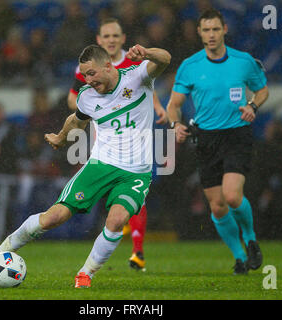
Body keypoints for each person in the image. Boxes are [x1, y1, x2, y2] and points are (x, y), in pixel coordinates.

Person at [0, 44, 171, 288]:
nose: (88, 80)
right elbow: (76, 120)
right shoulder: (87, 96)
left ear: (108, 65)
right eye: (84, 75)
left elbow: (165, 59)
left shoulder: (138, 77)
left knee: (117, 221)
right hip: (100, 166)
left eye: (92, 73)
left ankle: (85, 274)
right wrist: (61, 137)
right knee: (54, 217)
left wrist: (147, 53)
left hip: (135, 172)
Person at [166, 8, 269, 274]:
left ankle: (251, 240)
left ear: (224, 30)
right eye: (206, 30)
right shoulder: (190, 66)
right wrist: (175, 124)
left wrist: (253, 106)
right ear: (199, 33)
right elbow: (174, 104)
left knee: (233, 196)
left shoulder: (243, 61)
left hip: (236, 134)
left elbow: (262, 90)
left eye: (215, 29)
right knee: (217, 205)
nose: (211, 35)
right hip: (206, 139)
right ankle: (238, 257)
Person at [67, 17, 168, 271]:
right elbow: (74, 101)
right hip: (103, 139)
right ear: (99, 40)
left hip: (137, 138)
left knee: (136, 191)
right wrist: (90, 109)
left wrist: (157, 107)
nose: (111, 40)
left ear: (122, 39)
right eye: (106, 36)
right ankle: (104, 236)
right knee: (102, 195)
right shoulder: (88, 70)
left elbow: (148, 83)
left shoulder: (132, 61)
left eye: (115, 36)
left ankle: (136, 248)